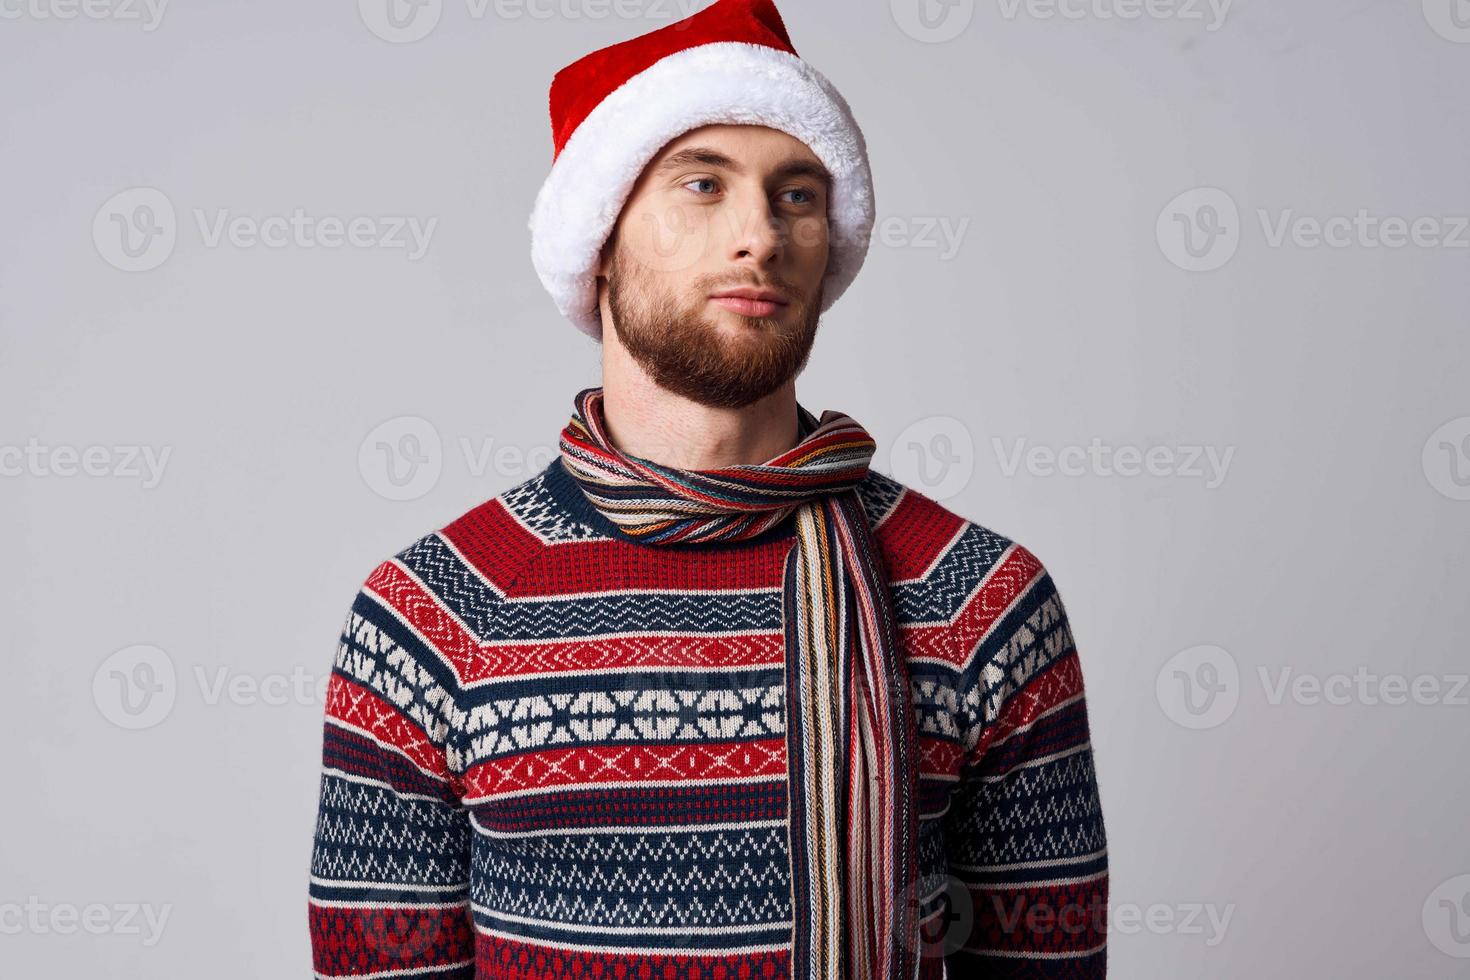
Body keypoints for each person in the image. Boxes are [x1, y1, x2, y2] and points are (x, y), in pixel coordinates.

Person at [306, 1, 1109, 977]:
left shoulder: (984, 598)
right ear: (600, 240)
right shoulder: (430, 615)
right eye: (701, 184)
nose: (759, 237)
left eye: (797, 195)